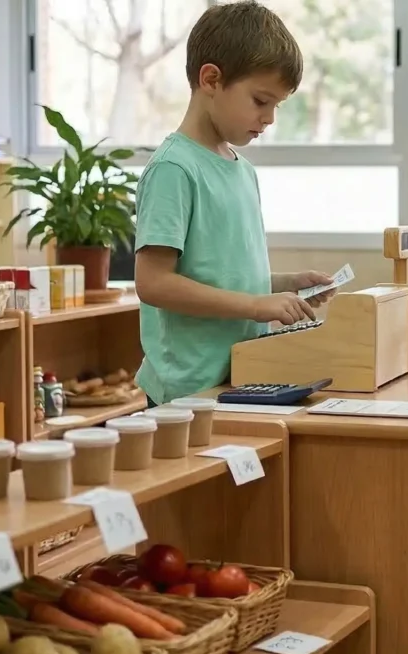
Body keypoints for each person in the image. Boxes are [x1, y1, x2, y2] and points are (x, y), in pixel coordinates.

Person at [133, 1, 336, 407]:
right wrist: (257, 305)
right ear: (211, 79)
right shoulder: (174, 168)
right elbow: (153, 282)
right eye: (261, 101)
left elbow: (218, 272)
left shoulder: (242, 170)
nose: (270, 119)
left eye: (277, 105)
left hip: (241, 377)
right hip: (185, 393)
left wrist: (283, 285)